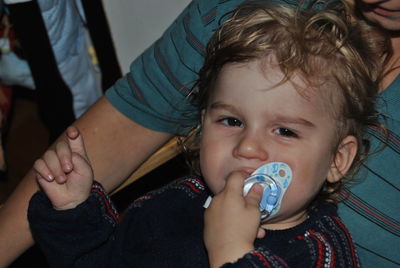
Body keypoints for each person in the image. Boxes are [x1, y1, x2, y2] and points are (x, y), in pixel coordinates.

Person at [0, 0, 398, 266]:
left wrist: (230, 253)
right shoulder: (173, 205)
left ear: (337, 159)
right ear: (201, 122)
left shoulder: (320, 252)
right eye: (231, 121)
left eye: (285, 131)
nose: (248, 147)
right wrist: (74, 212)